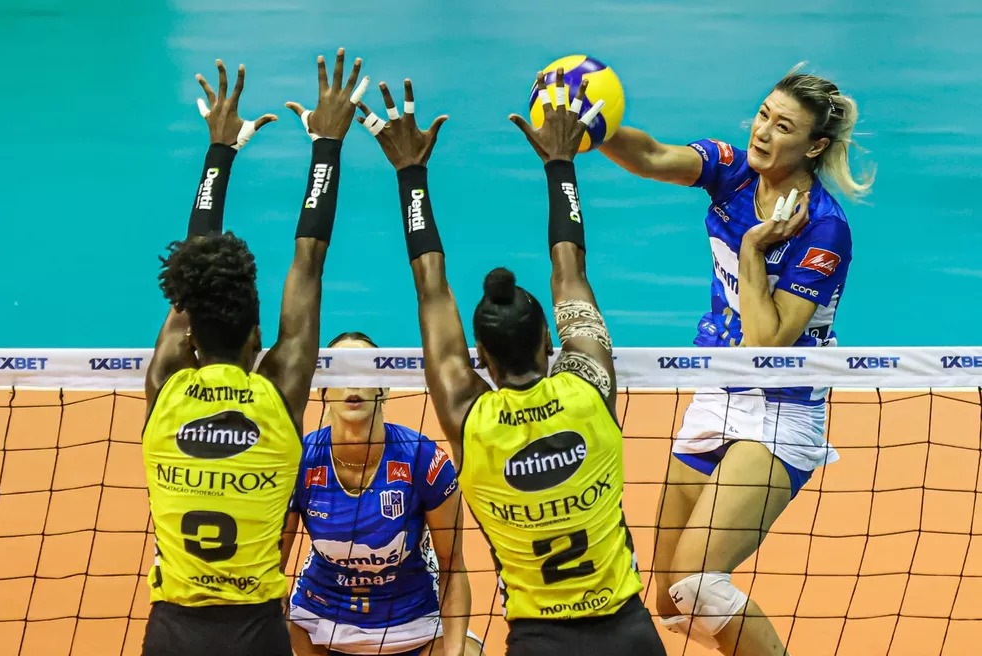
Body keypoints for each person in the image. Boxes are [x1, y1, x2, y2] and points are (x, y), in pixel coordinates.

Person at [353, 70, 668, 656]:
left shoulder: (468, 416)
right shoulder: (589, 387)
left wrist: (410, 175)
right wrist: (561, 163)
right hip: (629, 636)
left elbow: (431, 291)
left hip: (538, 640)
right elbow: (570, 273)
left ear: (481, 359)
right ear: (549, 340)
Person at [598, 63, 875, 655]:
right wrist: (592, 128)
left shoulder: (823, 228)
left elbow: (765, 346)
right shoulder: (731, 172)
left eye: (784, 127)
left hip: (780, 412)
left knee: (699, 584)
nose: (764, 132)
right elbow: (650, 156)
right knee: (670, 596)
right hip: (717, 393)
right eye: (764, 116)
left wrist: (752, 248)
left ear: (814, 146)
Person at [141, 49, 366, 656]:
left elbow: (193, 271)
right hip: (255, 633)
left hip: (172, 633)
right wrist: (326, 146)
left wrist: (220, 151)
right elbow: (308, 264)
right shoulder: (276, 395)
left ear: (188, 333)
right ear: (256, 338)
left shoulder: (165, 387)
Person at [281, 331, 485, 656]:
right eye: (340, 372)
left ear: (385, 388)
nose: (353, 384)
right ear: (322, 391)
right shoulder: (299, 461)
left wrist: (455, 651)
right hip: (321, 624)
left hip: (416, 624)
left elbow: (453, 564)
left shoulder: (422, 458)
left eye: (365, 370)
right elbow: (273, 569)